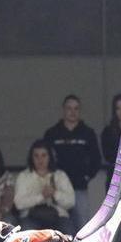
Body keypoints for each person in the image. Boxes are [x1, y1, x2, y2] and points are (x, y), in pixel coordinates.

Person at [44, 94, 102, 224]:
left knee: (82, 224)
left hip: (79, 188)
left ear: (80, 111)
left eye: (76, 108)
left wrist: (86, 176)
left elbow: (96, 160)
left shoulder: (88, 133)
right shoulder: (52, 133)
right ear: (63, 110)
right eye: (69, 108)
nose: (72, 112)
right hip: (57, 189)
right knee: (56, 224)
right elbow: (44, 159)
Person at [14, 139, 75, 231]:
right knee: (26, 232)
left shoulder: (60, 175)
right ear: (31, 158)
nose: (40, 160)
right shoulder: (24, 176)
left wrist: (54, 193)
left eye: (44, 155)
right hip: (30, 217)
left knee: (68, 231)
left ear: (49, 157)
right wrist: (42, 196)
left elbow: (71, 202)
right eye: (36, 156)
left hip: (58, 216)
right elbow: (19, 203)